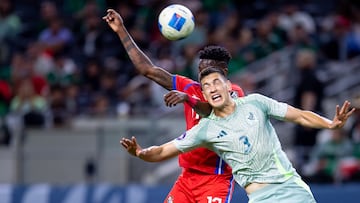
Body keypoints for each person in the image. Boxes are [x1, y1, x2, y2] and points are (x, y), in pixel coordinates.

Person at [120, 67, 355, 203]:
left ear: (228, 86)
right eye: (206, 86)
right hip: (260, 198)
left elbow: (300, 115)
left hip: (291, 190)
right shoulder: (205, 129)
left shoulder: (256, 103)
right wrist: (140, 153)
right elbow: (163, 150)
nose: (212, 88)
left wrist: (331, 124)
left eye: (216, 82)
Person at [103, 9, 245, 203]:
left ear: (224, 72)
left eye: (209, 71)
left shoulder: (233, 92)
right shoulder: (190, 87)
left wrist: (188, 99)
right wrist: (121, 30)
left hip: (216, 178)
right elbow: (148, 70)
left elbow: (214, 111)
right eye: (200, 71)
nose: (203, 77)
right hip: (187, 178)